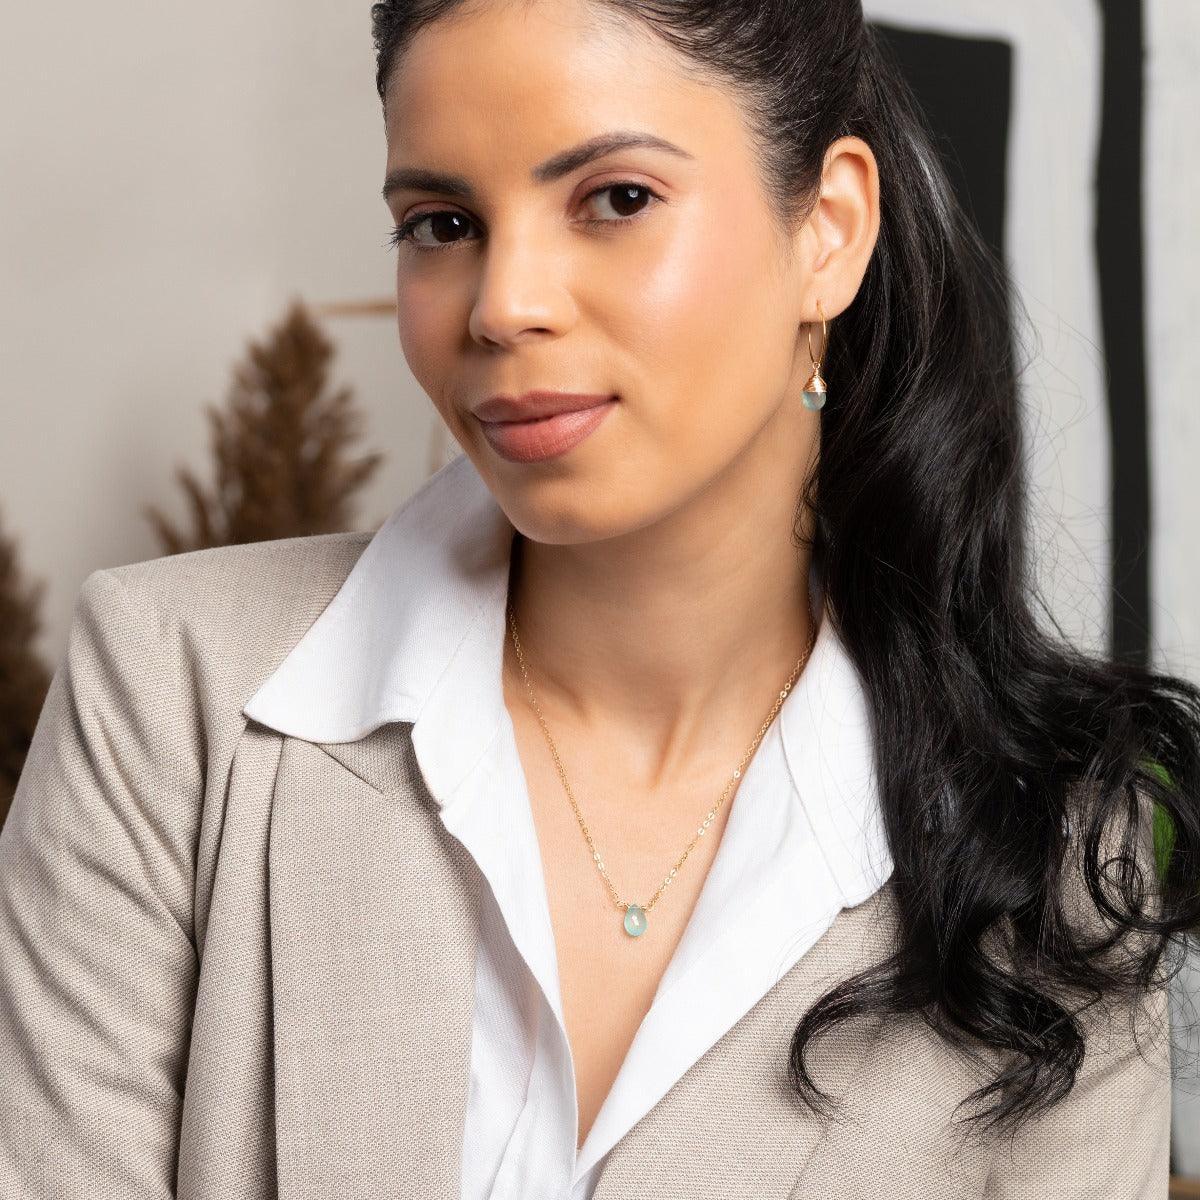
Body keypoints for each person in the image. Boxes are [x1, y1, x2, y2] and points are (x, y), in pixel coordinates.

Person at [1, 0, 1198, 1196]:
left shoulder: (1053, 850)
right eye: (442, 223)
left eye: (616, 199)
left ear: (829, 228)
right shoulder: (175, 699)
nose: (502, 303)